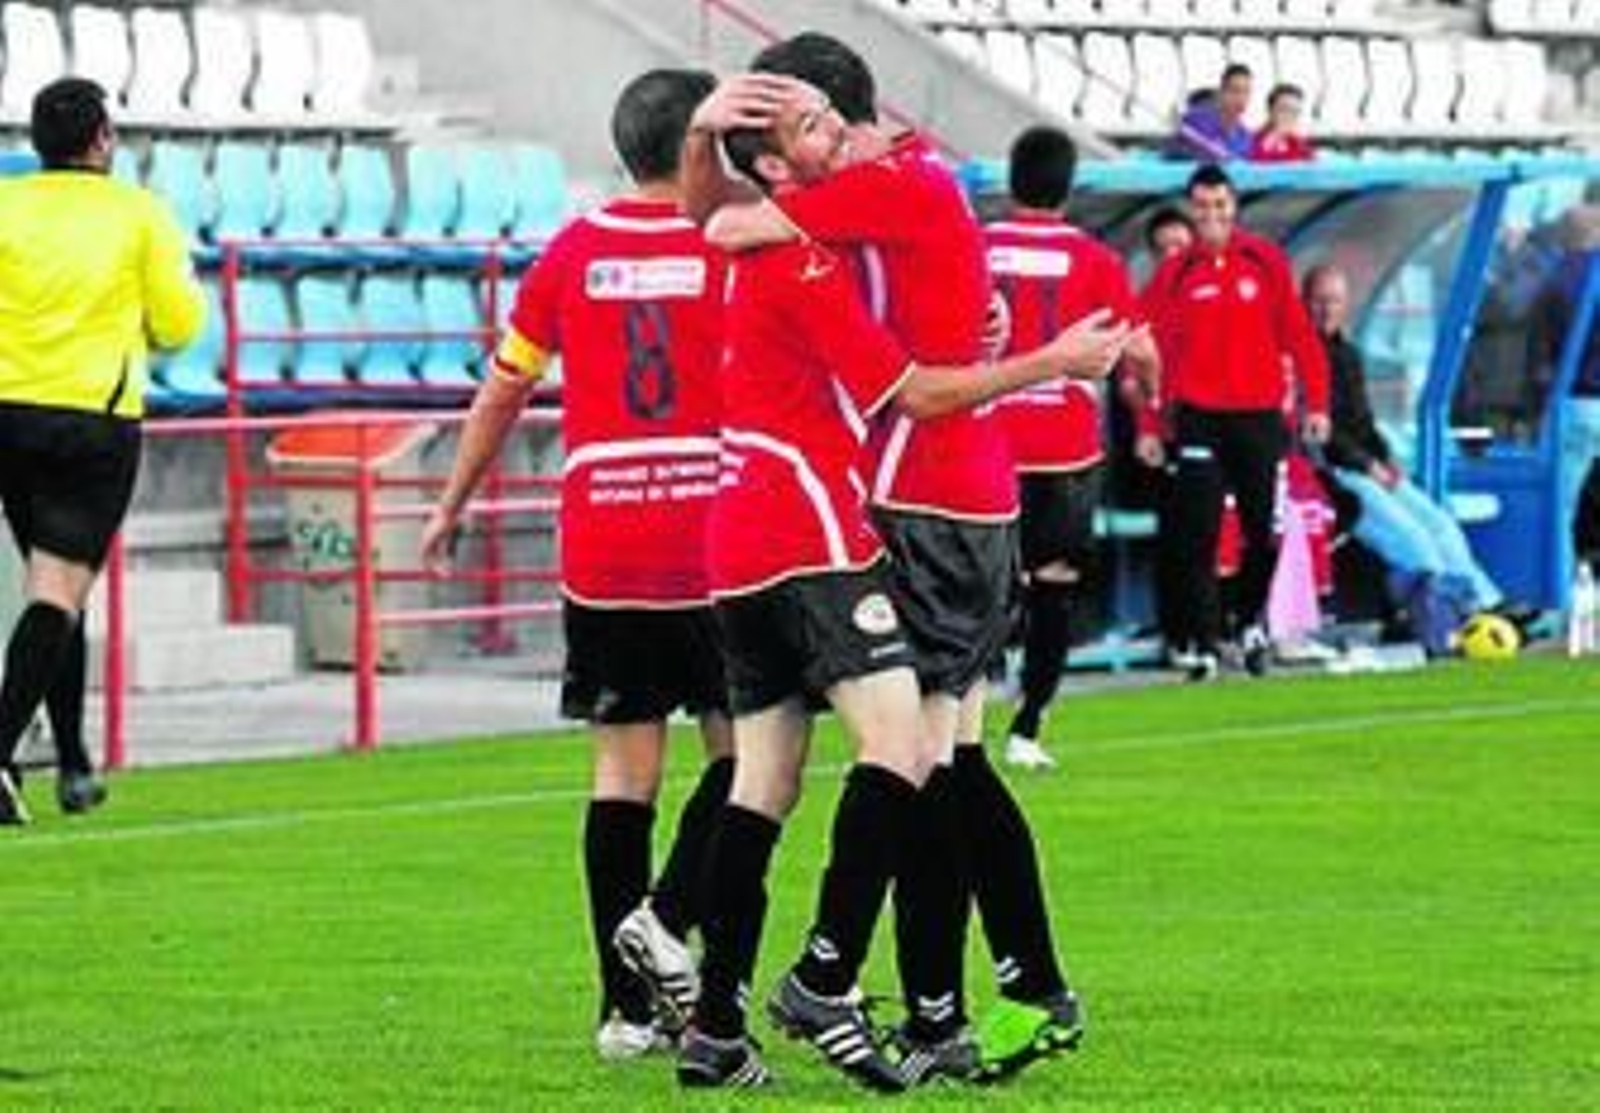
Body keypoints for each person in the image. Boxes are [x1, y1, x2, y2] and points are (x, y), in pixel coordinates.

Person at [624, 76, 1130, 1091]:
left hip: (749, 528)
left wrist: (705, 140)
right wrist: (1050, 358)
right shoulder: (807, 251)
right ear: (781, 163)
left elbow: (712, 221)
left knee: (775, 775)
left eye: (830, 115)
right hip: (837, 518)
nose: (848, 134)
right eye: (817, 124)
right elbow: (916, 388)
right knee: (920, 756)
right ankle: (863, 984)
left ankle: (720, 1018)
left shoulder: (827, 217)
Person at [419, 69, 737, 1061]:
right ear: (701, 147)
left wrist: (450, 502)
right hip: (714, 530)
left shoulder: (570, 252)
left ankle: (624, 1009)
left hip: (604, 533)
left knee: (620, 774)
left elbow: (504, 389)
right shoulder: (731, 246)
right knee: (748, 761)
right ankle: (682, 949)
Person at [0, 78, 205, 826]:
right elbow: (180, 323)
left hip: (8, 414)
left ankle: (75, 763)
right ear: (104, 139)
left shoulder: (6, 204)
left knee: (55, 589)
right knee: (58, 586)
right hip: (91, 419)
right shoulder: (138, 214)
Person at [985, 125, 1162, 771]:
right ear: (1068, 186)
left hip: (987, 440)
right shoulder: (1095, 259)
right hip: (1061, 449)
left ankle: (968, 716)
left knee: (984, 584)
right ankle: (1028, 728)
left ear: (1012, 181)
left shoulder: (981, 248)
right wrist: (1151, 392)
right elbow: (1140, 349)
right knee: (1053, 583)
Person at [1141, 164, 1331, 680]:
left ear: (1234, 206)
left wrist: (1318, 405)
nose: (1212, 217)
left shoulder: (1264, 260)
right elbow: (1148, 351)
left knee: (1259, 530)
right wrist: (1150, 426)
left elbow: (1299, 335)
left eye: (1221, 206)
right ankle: (1203, 644)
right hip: (1199, 417)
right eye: (1202, 208)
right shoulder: (1176, 272)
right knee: (1198, 533)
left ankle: (1248, 623)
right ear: (1191, 209)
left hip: (1259, 418)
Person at [1304, 263, 1508, 613]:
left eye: (1335, 301)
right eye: (1319, 301)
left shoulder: (1347, 355)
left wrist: (1385, 459)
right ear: (1303, 302)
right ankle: (1452, 613)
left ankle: (1486, 604)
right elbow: (1320, 431)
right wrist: (1369, 466)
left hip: (1366, 468)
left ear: (1346, 305)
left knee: (1440, 524)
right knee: (1414, 542)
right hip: (1331, 476)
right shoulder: (1298, 356)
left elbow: (1363, 422)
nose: (1327, 310)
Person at [1166, 64, 1254, 162]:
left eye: (1246, 92)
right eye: (1235, 91)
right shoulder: (1196, 120)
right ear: (1222, 93)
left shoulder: (1244, 137)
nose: (1241, 98)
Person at [1250, 83, 1315, 163]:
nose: (1289, 116)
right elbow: (1255, 167)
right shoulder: (1254, 141)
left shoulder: (1299, 143)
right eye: (1284, 109)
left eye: (1295, 112)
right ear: (1270, 111)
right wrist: (1275, 137)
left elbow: (1313, 168)